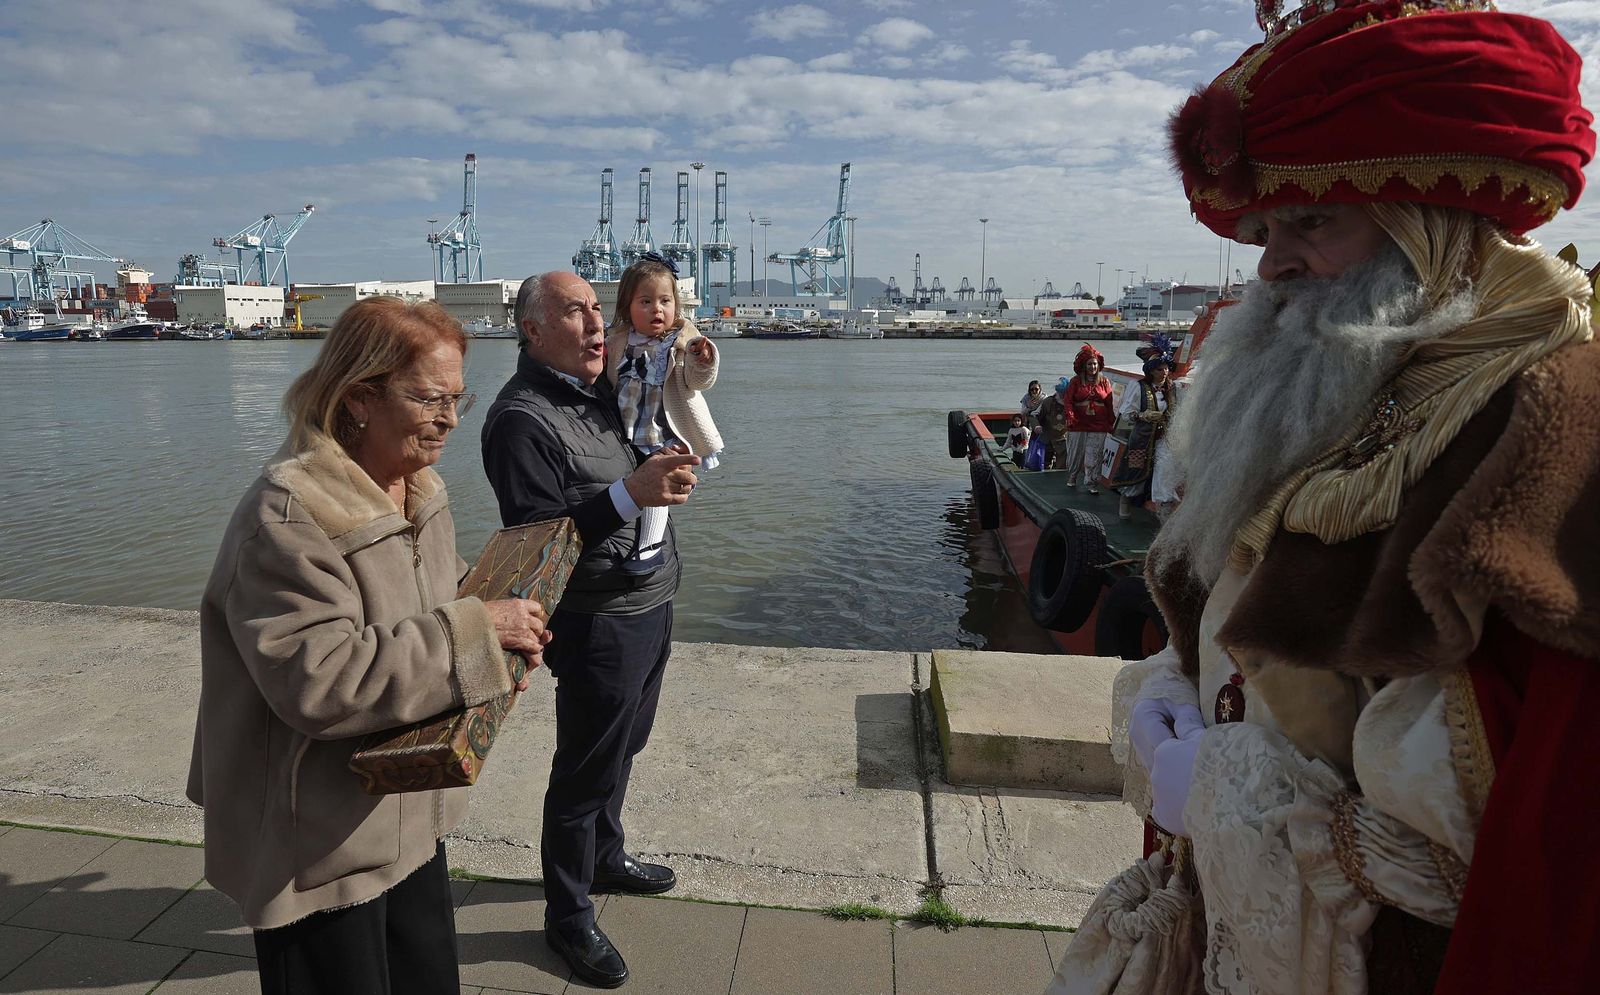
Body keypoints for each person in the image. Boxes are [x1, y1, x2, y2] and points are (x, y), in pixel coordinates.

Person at [1058, 2, 1600, 993]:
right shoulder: (1341, 381)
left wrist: (1219, 786)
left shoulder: (1556, 424)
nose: (1270, 263)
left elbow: (1531, 836)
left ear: (1432, 229)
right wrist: (1172, 690)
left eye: (1312, 221)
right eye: (1264, 229)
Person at [186, 297, 552, 994]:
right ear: (358, 399)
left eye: (457, 397)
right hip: (319, 842)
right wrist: (478, 632)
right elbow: (320, 681)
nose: (449, 418)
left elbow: (434, 609)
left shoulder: (419, 488)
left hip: (409, 815)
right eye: (429, 398)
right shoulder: (290, 514)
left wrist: (496, 653)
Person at [481, 271, 700, 990]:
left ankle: (606, 856)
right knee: (583, 770)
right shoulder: (521, 418)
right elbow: (542, 535)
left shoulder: (600, 388)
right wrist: (632, 492)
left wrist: (690, 361)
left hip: (650, 598)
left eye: (595, 311)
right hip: (597, 617)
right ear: (533, 331)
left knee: (625, 747)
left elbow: (665, 369)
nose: (596, 324)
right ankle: (567, 914)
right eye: (574, 313)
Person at [604, 252, 723, 576]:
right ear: (627, 306)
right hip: (626, 425)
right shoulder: (618, 342)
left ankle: (650, 547)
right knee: (630, 479)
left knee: (659, 479)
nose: (657, 309)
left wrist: (704, 360)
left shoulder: (682, 342)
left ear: (676, 306)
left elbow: (698, 383)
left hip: (665, 428)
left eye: (664, 301)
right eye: (645, 301)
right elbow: (605, 379)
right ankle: (629, 536)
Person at [1108, 351, 1176, 519]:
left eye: (1166, 368)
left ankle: (1164, 507)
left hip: (1162, 437)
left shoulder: (1170, 388)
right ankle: (1125, 499)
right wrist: (1142, 416)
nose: (1165, 372)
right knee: (1135, 470)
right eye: (1160, 369)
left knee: (1164, 468)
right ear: (1151, 371)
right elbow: (1126, 413)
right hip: (1142, 439)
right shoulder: (1139, 387)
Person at [1061, 343, 1114, 494]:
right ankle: (1072, 476)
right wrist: (1070, 416)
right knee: (1076, 452)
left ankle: (1091, 482)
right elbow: (1068, 401)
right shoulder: (1076, 381)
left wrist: (1111, 421)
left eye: (1095, 364)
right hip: (1078, 422)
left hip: (1099, 423)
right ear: (1084, 365)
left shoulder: (1104, 381)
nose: (1093, 367)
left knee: (1095, 453)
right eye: (1090, 364)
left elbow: (1109, 403)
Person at [1036, 377, 1071, 469]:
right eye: (1062, 393)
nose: (1063, 395)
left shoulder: (1072, 404)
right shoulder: (1048, 402)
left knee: (1062, 466)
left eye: (1065, 393)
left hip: (1063, 439)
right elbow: (1038, 417)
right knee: (1044, 464)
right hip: (1048, 438)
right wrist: (1037, 426)